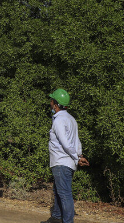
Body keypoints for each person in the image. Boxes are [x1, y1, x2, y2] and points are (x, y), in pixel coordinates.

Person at [43, 89, 89, 223]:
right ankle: (56, 218)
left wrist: (77, 157)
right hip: (67, 162)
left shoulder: (59, 121)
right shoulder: (71, 119)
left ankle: (67, 221)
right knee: (58, 190)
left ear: (56, 105)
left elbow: (66, 143)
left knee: (64, 194)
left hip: (62, 162)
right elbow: (76, 141)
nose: (50, 103)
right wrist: (79, 156)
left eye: (52, 101)